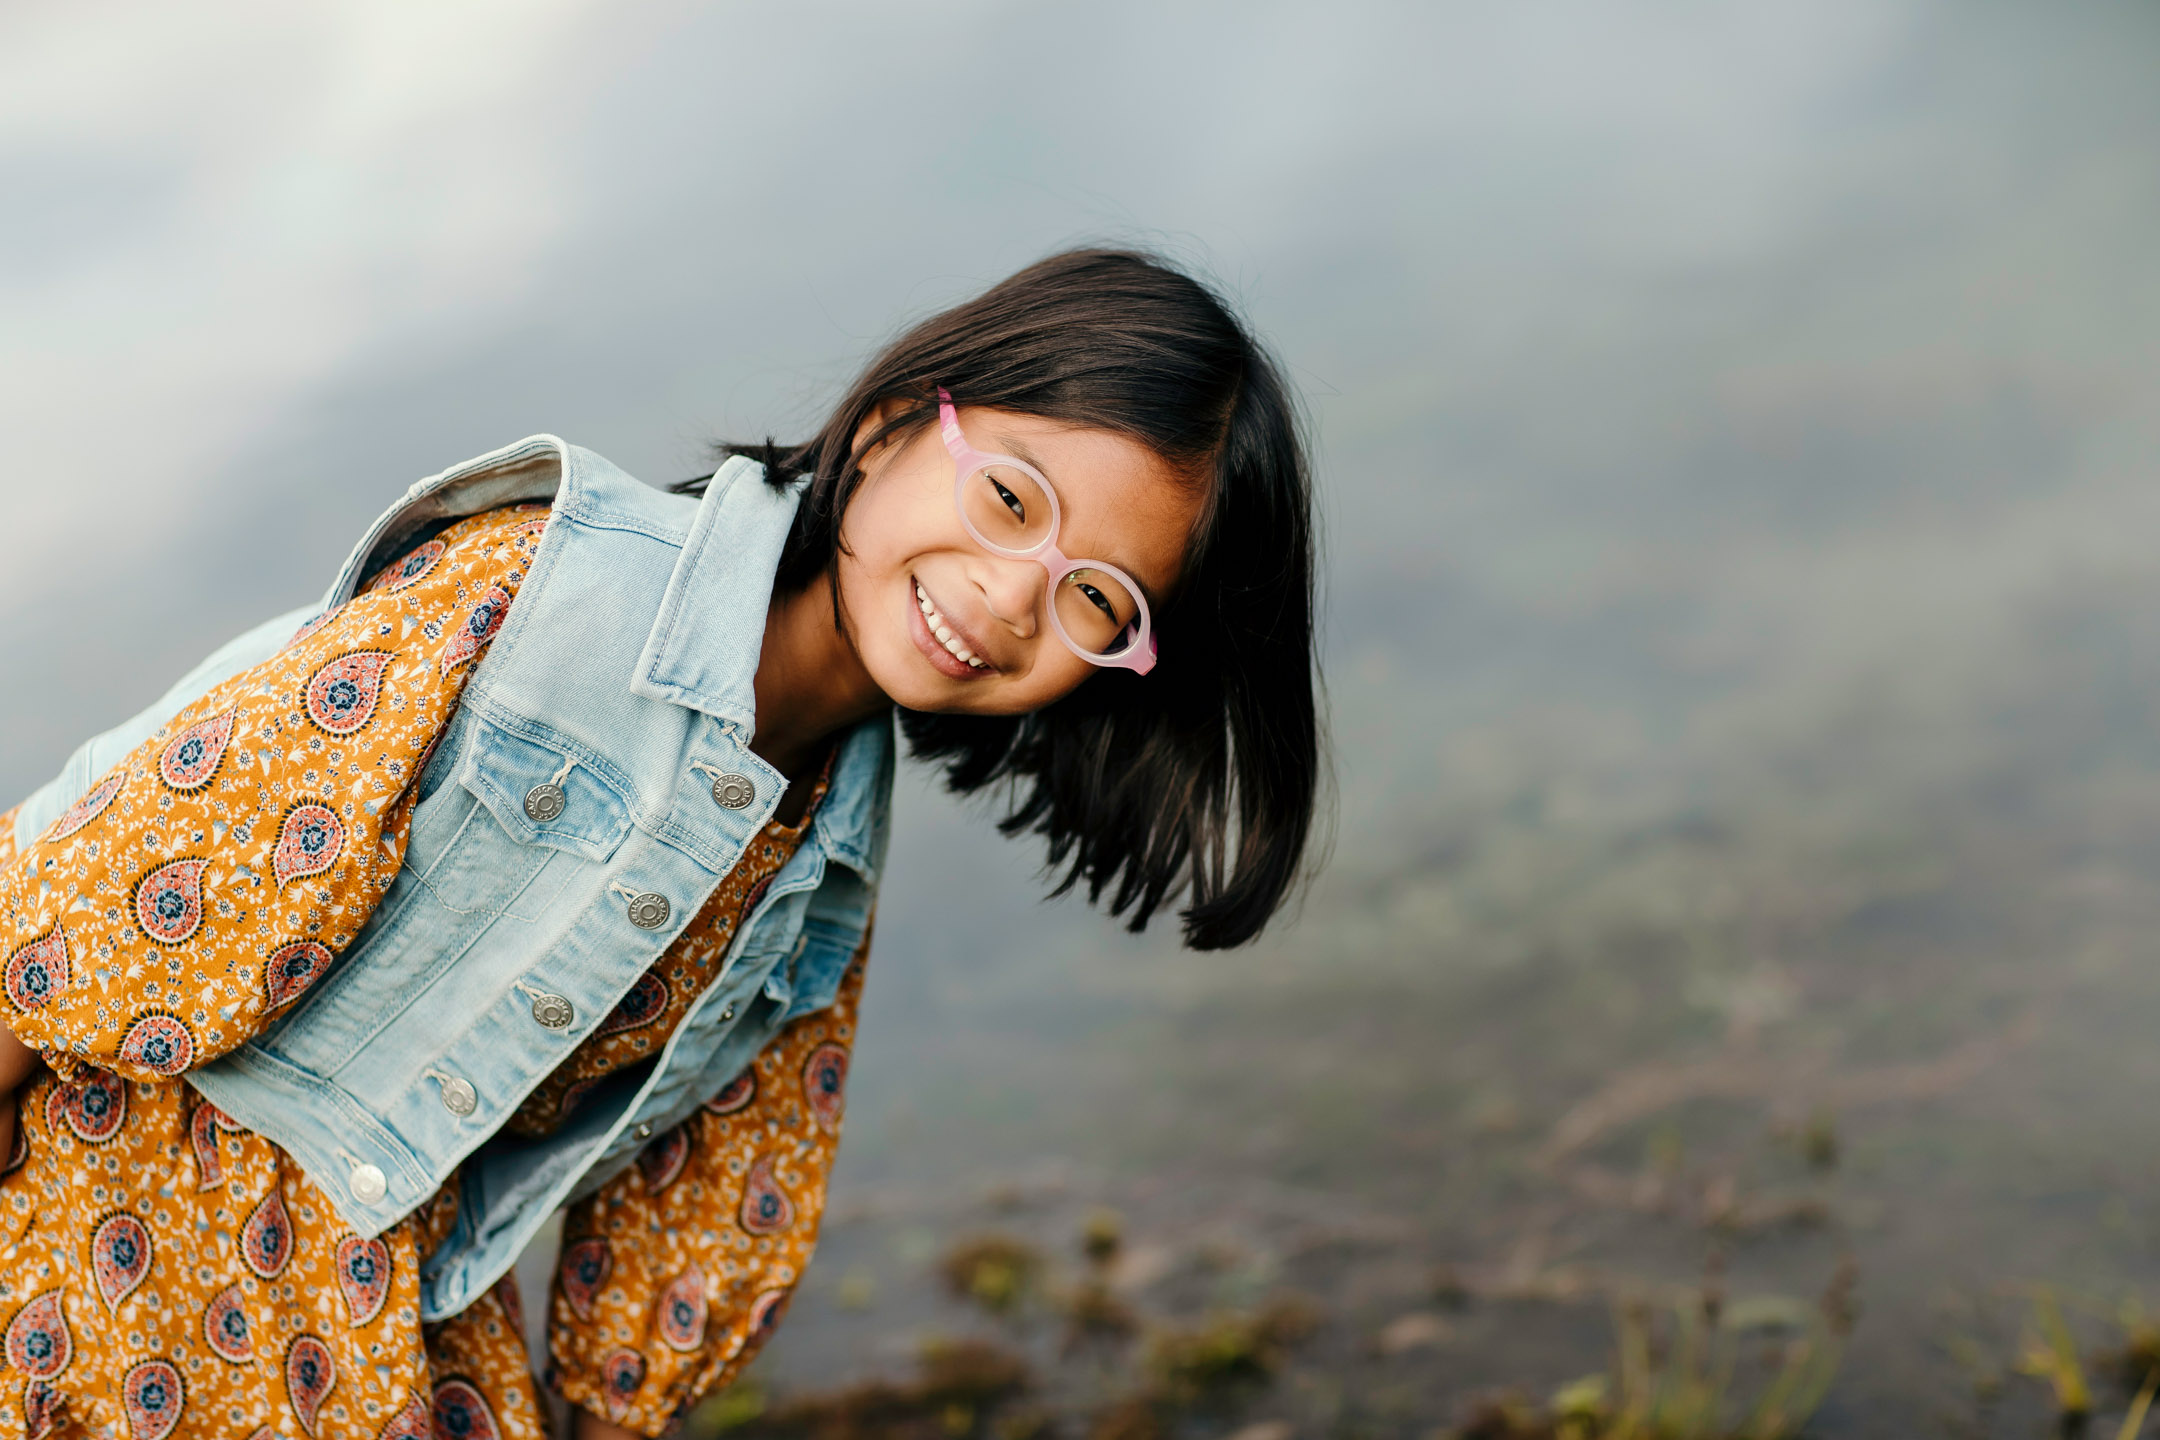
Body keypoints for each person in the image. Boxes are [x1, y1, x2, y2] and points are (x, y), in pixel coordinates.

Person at [0, 248, 1319, 1440]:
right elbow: (81, 925)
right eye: (1011, 501)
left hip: (376, 1300)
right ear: (892, 426)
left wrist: (614, 1396)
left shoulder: (825, 854)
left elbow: (708, 1189)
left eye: (1097, 597)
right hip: (95, 1187)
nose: (1007, 594)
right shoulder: (541, 594)